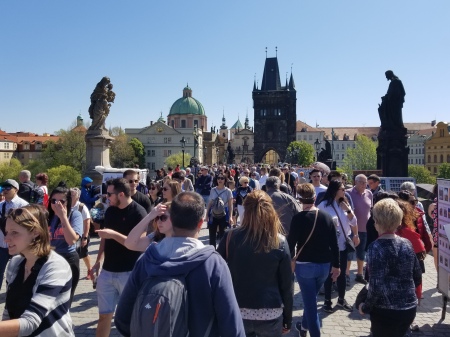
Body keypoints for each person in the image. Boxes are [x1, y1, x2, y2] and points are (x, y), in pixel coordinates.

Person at [115, 192, 246, 337]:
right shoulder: (213, 263)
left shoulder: (147, 259)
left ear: (172, 221)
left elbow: (122, 316)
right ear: (200, 223)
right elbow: (231, 322)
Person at [217, 190, 293, 336]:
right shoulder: (279, 241)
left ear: (245, 210)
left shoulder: (230, 237)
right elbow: (286, 285)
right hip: (270, 311)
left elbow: (216, 273)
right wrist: (288, 319)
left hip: (237, 308)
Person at [1, 205, 74, 337]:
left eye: (14, 232)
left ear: (35, 232)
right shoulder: (15, 264)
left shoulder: (55, 266)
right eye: (6, 232)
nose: (6, 239)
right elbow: (9, 311)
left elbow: (30, 322)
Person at [91, 178, 147, 337]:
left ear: (121, 194)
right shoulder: (110, 210)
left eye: (109, 194)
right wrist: (98, 261)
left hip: (129, 273)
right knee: (104, 316)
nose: (107, 197)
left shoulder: (139, 212)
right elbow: (104, 238)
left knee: (129, 319)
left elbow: (138, 243)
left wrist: (113, 235)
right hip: (107, 271)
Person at [359, 199, 421, 337]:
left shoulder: (375, 247)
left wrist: (365, 307)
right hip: (409, 307)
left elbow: (375, 285)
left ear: (377, 222)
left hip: (385, 311)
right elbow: (417, 276)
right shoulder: (407, 244)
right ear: (398, 221)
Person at [288, 183, 340, 337]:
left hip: (305, 267)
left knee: (310, 305)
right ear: (315, 198)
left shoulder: (298, 218)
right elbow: (335, 245)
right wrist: (336, 266)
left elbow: (290, 244)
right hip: (324, 266)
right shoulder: (327, 217)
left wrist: (290, 261)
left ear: (299, 199)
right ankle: (303, 326)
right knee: (311, 301)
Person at [318, 180, 359, 312]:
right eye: (342, 189)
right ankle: (327, 301)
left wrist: (347, 210)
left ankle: (341, 299)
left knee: (342, 274)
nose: (344, 191)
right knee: (330, 274)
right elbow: (317, 222)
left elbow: (353, 221)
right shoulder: (324, 205)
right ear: (335, 190)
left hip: (342, 244)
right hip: (328, 246)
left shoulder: (344, 204)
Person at [48, 183, 83, 305]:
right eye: (54, 201)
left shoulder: (75, 215)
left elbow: (71, 240)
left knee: (64, 300)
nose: (57, 204)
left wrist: (63, 218)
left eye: (61, 201)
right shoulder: (48, 216)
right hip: (49, 259)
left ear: (67, 202)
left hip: (67, 258)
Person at [0, 179, 29, 291]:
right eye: (3, 188)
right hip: (2, 246)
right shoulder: (0, 205)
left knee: (18, 271)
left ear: (16, 190)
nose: (5, 190)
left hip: (18, 247)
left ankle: (16, 294)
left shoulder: (23, 205)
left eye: (8, 188)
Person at [346, 174, 372, 286]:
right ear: (355, 182)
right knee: (349, 253)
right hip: (350, 229)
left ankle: (359, 274)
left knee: (362, 253)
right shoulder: (348, 193)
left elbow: (370, 210)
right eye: (361, 182)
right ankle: (346, 274)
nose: (363, 184)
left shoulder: (369, 193)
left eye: (365, 182)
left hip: (364, 229)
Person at [205, 173, 234, 247]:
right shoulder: (213, 190)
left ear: (225, 180)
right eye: (218, 178)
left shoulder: (228, 191)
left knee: (223, 236)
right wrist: (206, 215)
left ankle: (222, 253)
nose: (220, 180)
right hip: (213, 214)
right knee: (212, 236)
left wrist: (230, 217)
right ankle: (212, 252)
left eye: (222, 178)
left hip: (224, 214)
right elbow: (210, 203)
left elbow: (230, 205)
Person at [70, 187, 93, 280]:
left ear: (78, 197)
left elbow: (87, 222)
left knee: (83, 254)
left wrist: (85, 237)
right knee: (72, 254)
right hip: (71, 235)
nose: (70, 196)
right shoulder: (66, 205)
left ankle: (90, 269)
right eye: (70, 194)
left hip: (81, 235)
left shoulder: (81, 207)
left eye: (73, 195)